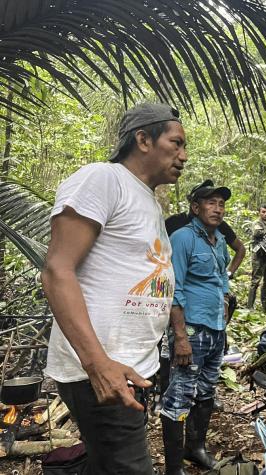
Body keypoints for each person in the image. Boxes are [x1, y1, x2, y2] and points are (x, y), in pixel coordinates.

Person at [42, 103, 186, 474]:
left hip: (128, 369)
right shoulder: (103, 179)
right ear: (143, 139)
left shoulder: (147, 200)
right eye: (176, 143)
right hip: (102, 372)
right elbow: (58, 270)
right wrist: (97, 364)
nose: (184, 155)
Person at [160, 183, 232, 474]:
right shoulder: (182, 238)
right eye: (211, 203)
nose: (218, 209)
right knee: (179, 396)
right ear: (196, 207)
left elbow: (221, 278)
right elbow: (173, 288)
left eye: (222, 204)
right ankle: (174, 467)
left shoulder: (220, 241)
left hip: (215, 330)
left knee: (206, 392)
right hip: (190, 330)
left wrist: (226, 300)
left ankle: (196, 448)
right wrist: (180, 337)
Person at [247, 204, 266, 311]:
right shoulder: (257, 223)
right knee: (255, 281)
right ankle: (250, 306)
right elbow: (256, 232)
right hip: (259, 256)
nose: (265, 214)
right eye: (263, 212)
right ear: (259, 212)